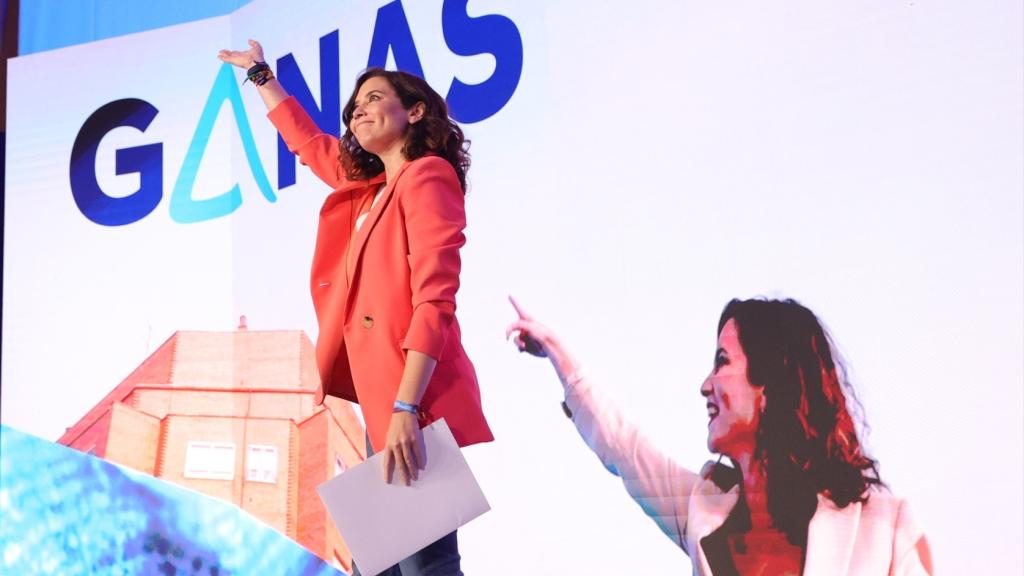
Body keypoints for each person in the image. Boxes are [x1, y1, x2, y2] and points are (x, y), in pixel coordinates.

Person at [218, 41, 492, 575]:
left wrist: (407, 408)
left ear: (413, 111)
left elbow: (434, 298)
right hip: (381, 403)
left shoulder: (427, 175)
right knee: (382, 566)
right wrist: (259, 75)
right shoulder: (368, 190)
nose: (357, 110)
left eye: (372, 98)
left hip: (414, 398)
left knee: (426, 565)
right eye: (354, 106)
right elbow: (307, 143)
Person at [507, 296, 933, 575]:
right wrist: (558, 355)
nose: (705, 385)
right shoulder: (702, 510)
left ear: (770, 383)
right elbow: (625, 447)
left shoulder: (886, 529)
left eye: (722, 361)